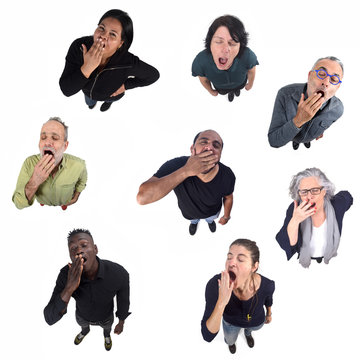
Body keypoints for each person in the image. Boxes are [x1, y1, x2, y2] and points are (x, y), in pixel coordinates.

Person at [44, 229, 130, 351]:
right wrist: (69, 288)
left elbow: (123, 301)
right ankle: (84, 332)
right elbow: (49, 318)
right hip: (82, 316)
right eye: (73, 248)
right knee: (84, 327)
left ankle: (106, 336)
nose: (78, 251)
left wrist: (121, 322)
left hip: (106, 317)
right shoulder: (65, 275)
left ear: (95, 249)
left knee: (107, 329)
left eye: (84, 245)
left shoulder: (119, 273)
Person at [137, 130, 235, 235]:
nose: (209, 148)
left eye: (216, 146)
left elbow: (228, 197)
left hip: (212, 213)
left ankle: (210, 222)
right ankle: (194, 223)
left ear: (220, 155)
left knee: (210, 219)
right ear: (192, 149)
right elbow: (143, 198)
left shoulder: (228, 175)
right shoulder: (176, 165)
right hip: (189, 214)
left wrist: (226, 216)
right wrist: (186, 171)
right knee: (193, 220)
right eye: (203, 142)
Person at [59, 9, 159, 112]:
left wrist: (126, 86)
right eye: (101, 28)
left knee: (110, 99)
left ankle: (108, 103)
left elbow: (153, 75)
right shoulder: (80, 46)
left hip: (111, 95)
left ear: (120, 43)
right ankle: (91, 104)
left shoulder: (128, 61)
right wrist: (87, 68)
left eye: (112, 34)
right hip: (88, 92)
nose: (103, 36)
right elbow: (66, 90)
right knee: (90, 102)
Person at [201, 239, 274, 354]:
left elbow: (268, 300)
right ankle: (231, 344)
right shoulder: (215, 285)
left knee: (250, 329)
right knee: (230, 339)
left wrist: (269, 314)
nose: (231, 263)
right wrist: (221, 302)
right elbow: (207, 336)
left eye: (240, 259)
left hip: (256, 321)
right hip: (230, 324)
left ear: (254, 266)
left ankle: (248, 334)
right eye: (229, 257)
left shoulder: (268, 284)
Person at [276, 168, 353, 267]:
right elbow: (287, 244)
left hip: (332, 262)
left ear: (324, 191)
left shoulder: (336, 205)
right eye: (304, 192)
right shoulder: (295, 209)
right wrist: (295, 220)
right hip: (306, 261)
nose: (309, 196)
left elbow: (347, 196)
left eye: (315, 190)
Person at [268, 56, 344, 150]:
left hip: (310, 136)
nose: (326, 83)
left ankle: (306, 141)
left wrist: (320, 130)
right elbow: (273, 141)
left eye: (334, 79)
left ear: (338, 87)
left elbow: (328, 122)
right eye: (321, 74)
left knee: (306, 139)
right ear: (309, 76)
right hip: (289, 135)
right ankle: (296, 142)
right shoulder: (285, 94)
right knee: (296, 139)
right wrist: (299, 120)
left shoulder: (338, 109)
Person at [12, 117, 87, 210]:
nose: (47, 142)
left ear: (65, 146)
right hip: (43, 204)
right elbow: (18, 203)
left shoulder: (79, 165)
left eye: (55, 138)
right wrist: (35, 181)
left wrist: (76, 197)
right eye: (43, 138)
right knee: (43, 202)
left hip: (64, 203)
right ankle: (43, 202)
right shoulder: (29, 163)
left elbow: (82, 181)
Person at [192, 15, 258, 102]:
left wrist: (250, 85)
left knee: (238, 89)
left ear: (240, 47)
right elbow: (204, 80)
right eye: (219, 42)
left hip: (240, 84)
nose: (225, 49)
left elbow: (251, 71)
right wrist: (211, 91)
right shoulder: (201, 61)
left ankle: (235, 91)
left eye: (233, 43)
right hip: (221, 89)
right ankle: (229, 93)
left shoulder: (248, 56)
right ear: (210, 43)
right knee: (224, 92)